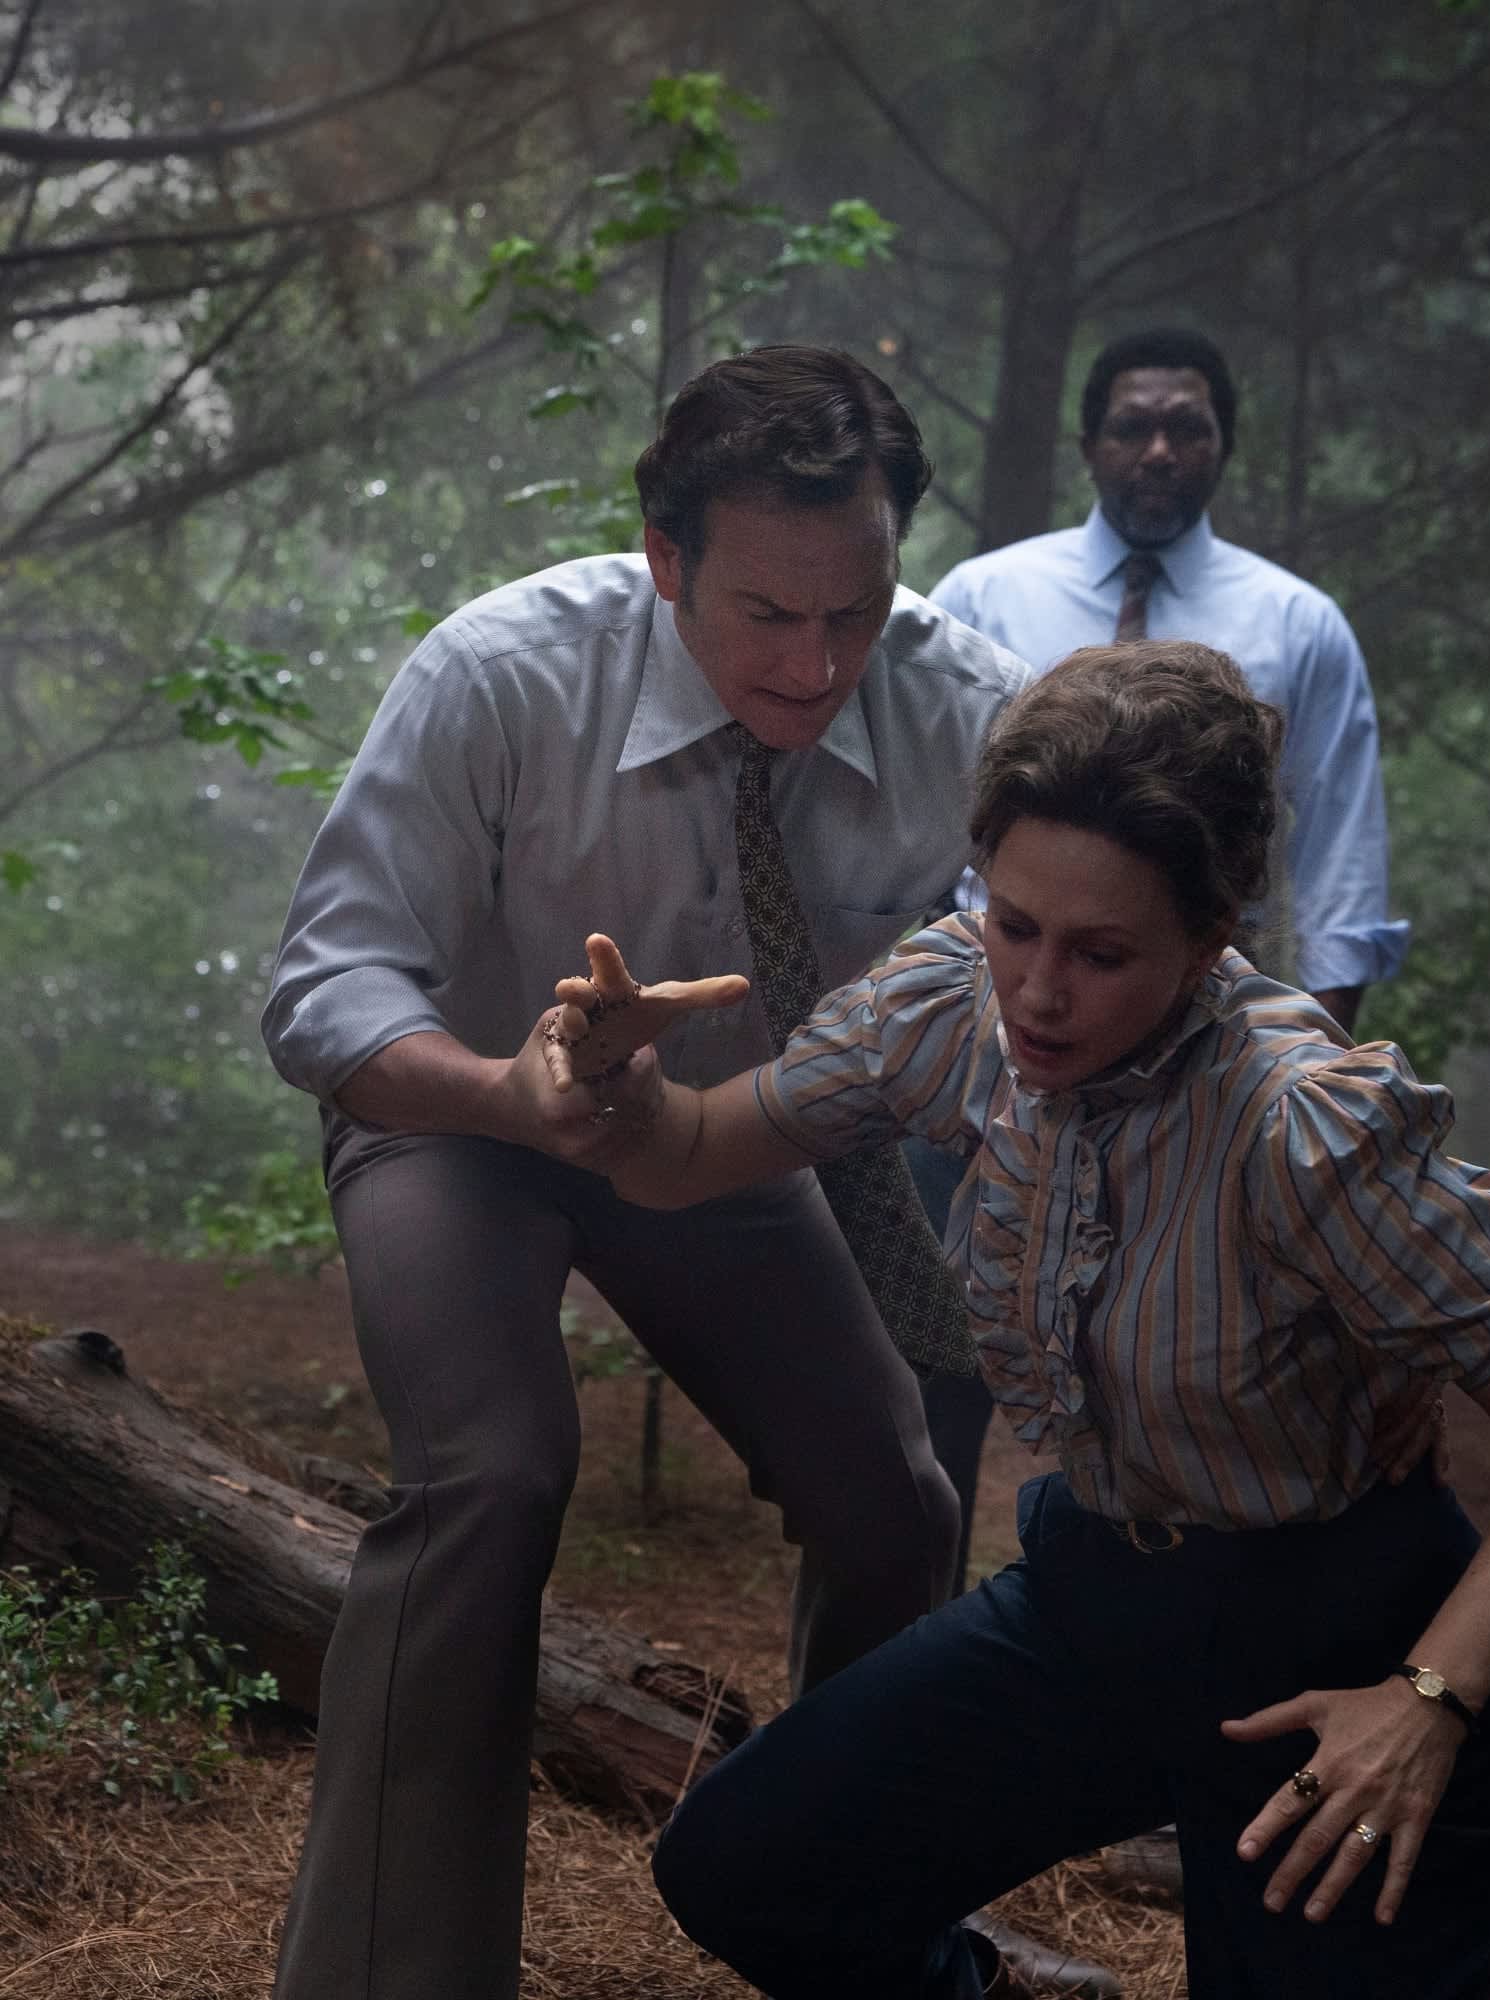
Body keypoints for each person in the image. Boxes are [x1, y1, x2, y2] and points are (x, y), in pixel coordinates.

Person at [542, 641, 1490, 2000]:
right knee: (749, 1868)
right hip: (1102, 1597)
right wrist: (616, 1078)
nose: (1038, 990)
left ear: (1209, 933)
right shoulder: (952, 1005)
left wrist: (1426, 1702)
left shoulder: (1300, 1122)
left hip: (1340, 1643)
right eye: (1015, 923)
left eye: (1102, 951)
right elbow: (686, 1152)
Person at [258, 345, 1035, 2000]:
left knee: (894, 1503)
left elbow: (1051, 971)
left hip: (713, 1136)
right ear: (664, 559)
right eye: (768, 613)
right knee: (490, 1475)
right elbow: (325, 988)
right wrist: (506, 1086)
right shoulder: (500, 674)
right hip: (456, 1119)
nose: (817, 663)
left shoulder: (970, 709)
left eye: (855, 611)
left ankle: (847, 1929)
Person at [913, 327, 1409, 1593]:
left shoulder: (1294, 623)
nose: (1157, 449)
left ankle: (1175, 1646)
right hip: (984, 1054)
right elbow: (921, 834)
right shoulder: (984, 596)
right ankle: (898, 1649)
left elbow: (1338, 867)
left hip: (1197, 1077)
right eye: (1132, 424)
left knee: (1183, 1368)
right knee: (923, 1385)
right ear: (1088, 440)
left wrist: (1295, 1087)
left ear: (1220, 445)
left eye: (1186, 425)